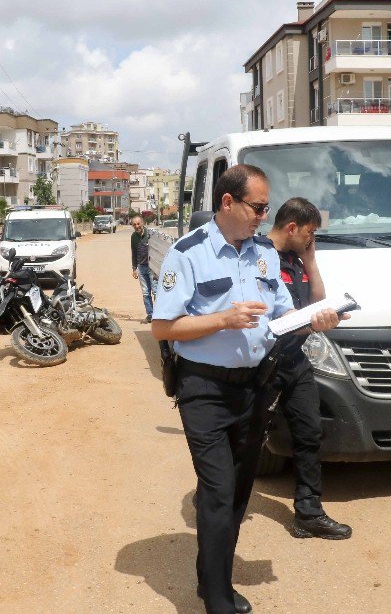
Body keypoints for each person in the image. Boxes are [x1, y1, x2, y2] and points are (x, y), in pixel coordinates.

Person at [152, 165, 345, 614]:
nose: (264, 216)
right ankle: (218, 599)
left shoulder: (263, 254)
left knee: (239, 490)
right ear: (227, 203)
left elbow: (279, 320)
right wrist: (222, 318)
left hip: (254, 388)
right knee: (218, 488)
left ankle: (210, 579)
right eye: (258, 207)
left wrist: (315, 320)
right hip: (204, 388)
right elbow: (164, 326)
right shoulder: (189, 252)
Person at [265, 198, 352, 540]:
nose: (311, 239)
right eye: (310, 233)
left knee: (308, 433)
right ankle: (216, 497)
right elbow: (271, 321)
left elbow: (316, 303)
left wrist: (311, 262)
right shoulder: (258, 257)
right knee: (241, 436)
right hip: (261, 361)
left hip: (295, 359)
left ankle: (309, 513)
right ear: (292, 227)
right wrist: (315, 324)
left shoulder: (296, 260)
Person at [130, 216, 154, 322]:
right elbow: (134, 253)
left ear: (143, 223)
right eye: (134, 224)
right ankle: (150, 315)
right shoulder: (133, 237)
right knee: (146, 293)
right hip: (141, 267)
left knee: (156, 292)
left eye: (138, 223)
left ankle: (161, 315)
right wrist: (134, 268)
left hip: (153, 267)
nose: (137, 226)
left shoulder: (151, 234)